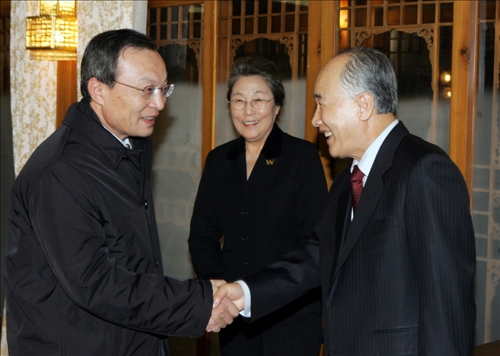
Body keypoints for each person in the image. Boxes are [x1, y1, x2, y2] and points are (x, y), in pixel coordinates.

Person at [214, 46, 477, 355]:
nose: (315, 120)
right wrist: (244, 293)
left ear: (363, 105)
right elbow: (316, 257)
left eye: (322, 104)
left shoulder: (423, 169)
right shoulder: (347, 181)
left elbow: (447, 305)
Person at [4, 29, 238, 356]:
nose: (159, 103)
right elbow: (96, 283)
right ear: (98, 89)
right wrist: (196, 303)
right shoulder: (61, 171)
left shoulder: (125, 149)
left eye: (163, 89)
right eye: (146, 90)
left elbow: (133, 265)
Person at [188, 56, 326, 356]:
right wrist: (217, 285)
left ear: (276, 106)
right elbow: (202, 234)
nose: (248, 110)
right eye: (238, 100)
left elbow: (315, 240)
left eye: (259, 100)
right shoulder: (219, 160)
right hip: (235, 314)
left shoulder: (301, 157)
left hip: (291, 311)